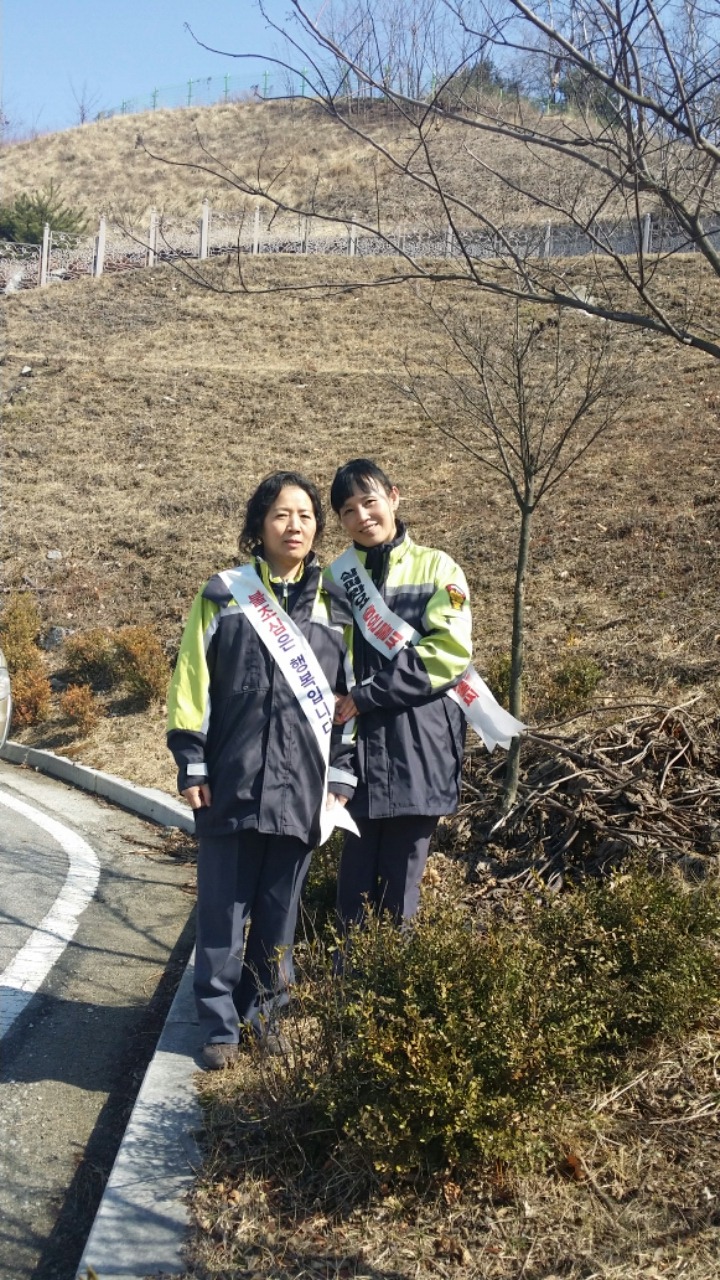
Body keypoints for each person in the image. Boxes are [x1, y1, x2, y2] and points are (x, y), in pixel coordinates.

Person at [167, 471, 356, 1069]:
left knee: (279, 913)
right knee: (222, 912)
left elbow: (350, 699)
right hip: (231, 781)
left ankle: (265, 1015)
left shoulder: (337, 605)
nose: (294, 525)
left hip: (303, 788)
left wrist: (342, 774)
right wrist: (192, 762)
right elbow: (191, 684)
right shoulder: (223, 595)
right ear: (259, 525)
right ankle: (219, 1026)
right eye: (281, 514)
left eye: (305, 515)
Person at [327, 457, 473, 927]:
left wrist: (370, 694)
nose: (362, 516)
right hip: (357, 754)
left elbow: (449, 652)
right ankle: (345, 972)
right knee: (352, 888)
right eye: (348, 510)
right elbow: (328, 665)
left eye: (369, 501)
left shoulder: (438, 568)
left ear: (393, 497)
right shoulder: (335, 579)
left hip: (419, 749)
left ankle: (392, 972)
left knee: (401, 890)